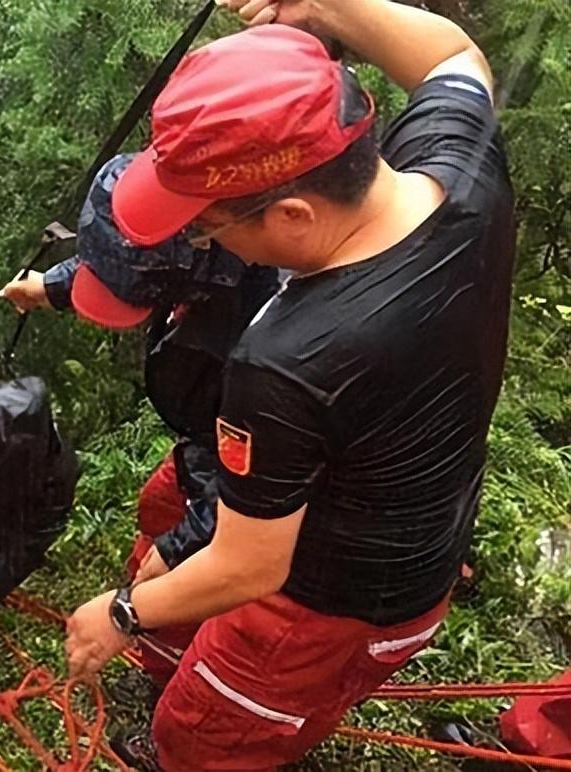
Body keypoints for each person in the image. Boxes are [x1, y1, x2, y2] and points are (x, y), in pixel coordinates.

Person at [62, 1, 515, 768]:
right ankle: (179, 677)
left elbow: (249, 566)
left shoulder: (289, 356)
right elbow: (451, 57)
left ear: (295, 214)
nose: (205, 244)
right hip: (408, 529)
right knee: (172, 512)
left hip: (325, 605)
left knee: (203, 740)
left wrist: (122, 613)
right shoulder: (462, 174)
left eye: (207, 227)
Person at [0, 155, 281, 677]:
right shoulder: (217, 229)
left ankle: (172, 671)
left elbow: (245, 484)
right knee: (160, 505)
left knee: (194, 601)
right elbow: (133, 251)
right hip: (213, 435)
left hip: (274, 497)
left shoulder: (272, 350)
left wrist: (161, 576)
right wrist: (54, 287)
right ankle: (162, 634)